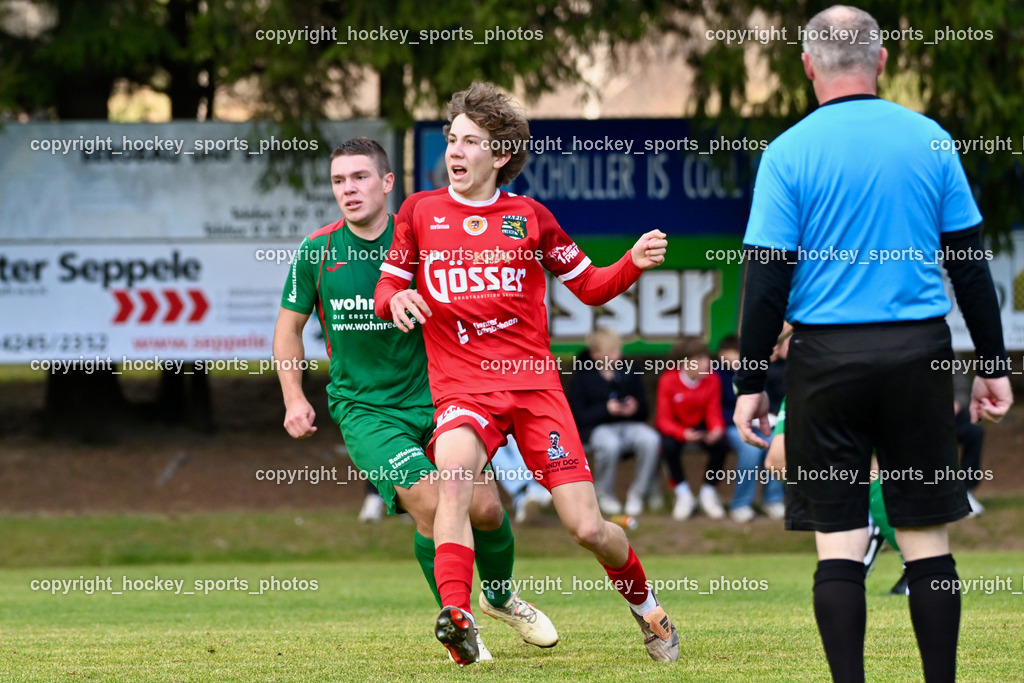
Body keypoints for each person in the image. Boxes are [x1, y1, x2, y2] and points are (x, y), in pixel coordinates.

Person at [733, 6, 1013, 682]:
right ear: (882, 60)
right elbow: (970, 267)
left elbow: (765, 280)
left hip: (824, 361)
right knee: (926, 541)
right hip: (918, 354)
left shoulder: (787, 152)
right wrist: (992, 365)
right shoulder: (931, 138)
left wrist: (750, 383)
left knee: (838, 544)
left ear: (808, 66)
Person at [374, 82, 678, 666]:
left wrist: (632, 262)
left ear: (502, 154)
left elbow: (589, 285)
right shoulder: (420, 212)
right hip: (463, 389)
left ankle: (647, 607)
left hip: (535, 389)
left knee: (587, 529)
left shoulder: (530, 218)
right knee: (454, 481)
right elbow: (388, 285)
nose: (456, 151)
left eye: (471, 142)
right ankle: (458, 617)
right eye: (452, 139)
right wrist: (396, 300)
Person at [272, 136, 557, 663]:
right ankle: (459, 627)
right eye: (338, 181)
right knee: (433, 504)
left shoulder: (425, 238)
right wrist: (294, 397)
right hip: (368, 411)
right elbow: (288, 329)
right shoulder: (318, 251)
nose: (348, 189)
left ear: (387, 183)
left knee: (486, 508)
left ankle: (499, 598)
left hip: (442, 396)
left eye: (360, 177)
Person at [569, 326, 662, 516]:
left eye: (618, 349)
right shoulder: (582, 377)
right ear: (595, 354)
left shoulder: (629, 370)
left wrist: (635, 407)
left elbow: (645, 410)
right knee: (609, 444)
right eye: (611, 351)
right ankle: (604, 494)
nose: (617, 354)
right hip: (598, 429)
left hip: (629, 425)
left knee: (651, 439)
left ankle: (638, 494)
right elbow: (578, 417)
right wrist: (606, 409)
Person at [655, 336, 730, 520]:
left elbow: (713, 411)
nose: (706, 364)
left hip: (700, 427)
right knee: (668, 447)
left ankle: (708, 492)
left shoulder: (713, 379)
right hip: (677, 428)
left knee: (722, 444)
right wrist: (683, 433)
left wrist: (716, 429)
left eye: (706, 358)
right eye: (699, 360)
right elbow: (663, 419)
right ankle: (683, 494)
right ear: (684, 363)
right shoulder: (668, 380)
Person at [717, 334, 784, 522]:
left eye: (741, 353)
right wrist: (740, 418)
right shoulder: (716, 376)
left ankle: (773, 500)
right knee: (750, 449)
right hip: (730, 427)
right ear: (722, 354)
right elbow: (716, 409)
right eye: (734, 352)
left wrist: (761, 417)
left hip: (755, 425)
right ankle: (740, 504)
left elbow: (763, 400)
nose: (739, 357)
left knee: (775, 443)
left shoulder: (754, 373)